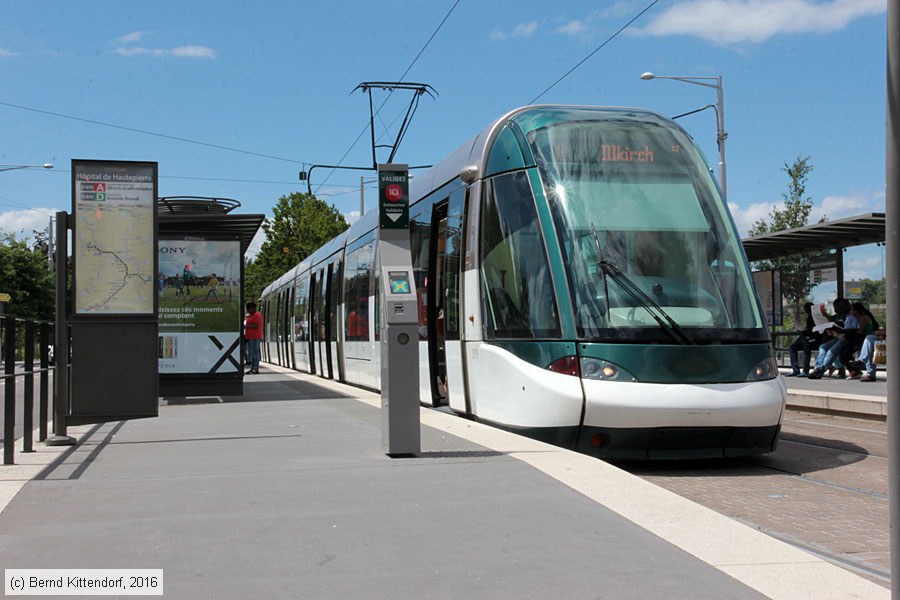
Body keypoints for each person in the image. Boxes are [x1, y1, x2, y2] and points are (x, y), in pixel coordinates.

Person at [785, 302, 821, 377]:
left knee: (806, 346)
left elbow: (817, 330)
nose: (807, 311)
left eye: (808, 309)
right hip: (808, 338)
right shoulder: (809, 318)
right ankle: (795, 370)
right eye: (806, 309)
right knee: (792, 347)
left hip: (816, 340)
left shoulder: (817, 317)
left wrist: (807, 331)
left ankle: (805, 370)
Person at [244, 302, 263, 375]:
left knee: (255, 353)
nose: (248, 311)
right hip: (251, 337)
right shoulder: (251, 315)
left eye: (248, 309)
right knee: (252, 353)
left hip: (255, 336)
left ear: (252, 308)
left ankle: (255, 368)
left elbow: (256, 325)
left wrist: (246, 326)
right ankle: (253, 368)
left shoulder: (257, 315)